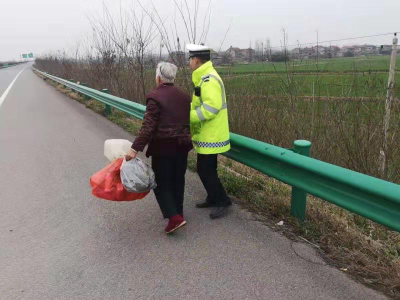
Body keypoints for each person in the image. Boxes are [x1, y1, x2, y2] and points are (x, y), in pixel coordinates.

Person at [125, 62, 192, 234]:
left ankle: (174, 218)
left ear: (158, 77)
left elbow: (148, 127)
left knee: (161, 183)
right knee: (178, 180)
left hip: (163, 147)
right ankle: (179, 212)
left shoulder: (155, 97)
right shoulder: (185, 96)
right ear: (173, 77)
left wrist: (134, 149)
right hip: (183, 145)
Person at [186, 44, 232, 219]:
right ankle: (213, 197)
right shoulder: (204, 78)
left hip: (211, 135)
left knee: (205, 170)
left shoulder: (209, 80)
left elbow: (211, 108)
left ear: (196, 60)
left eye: (190, 59)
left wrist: (188, 116)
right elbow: (199, 103)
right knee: (206, 169)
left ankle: (222, 200)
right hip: (207, 134)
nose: (190, 62)